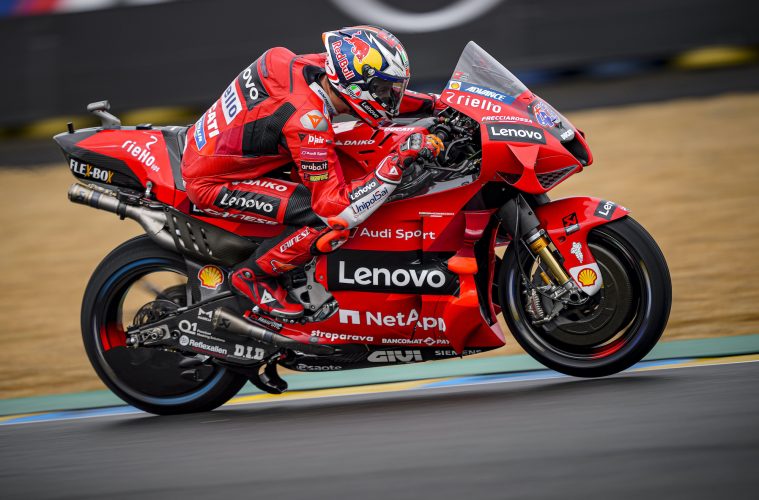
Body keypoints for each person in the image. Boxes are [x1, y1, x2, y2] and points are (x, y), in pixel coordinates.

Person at [181, 26, 444, 319]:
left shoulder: (316, 66)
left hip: (223, 146)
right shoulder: (309, 121)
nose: (389, 95)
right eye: (383, 88)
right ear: (354, 86)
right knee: (325, 221)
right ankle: (253, 276)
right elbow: (335, 210)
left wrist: (437, 104)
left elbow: (375, 98)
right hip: (214, 181)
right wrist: (395, 163)